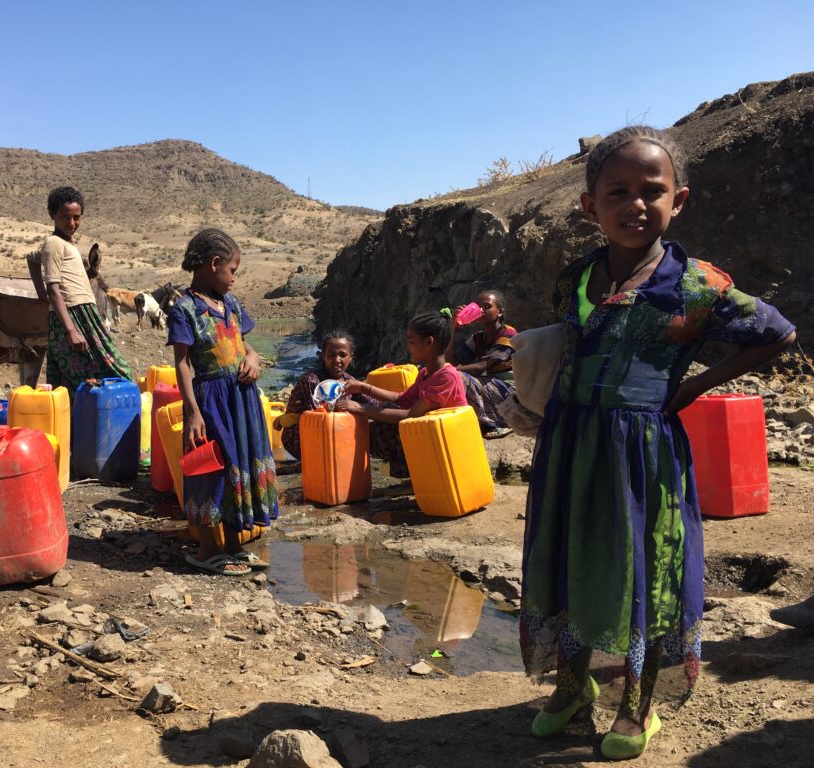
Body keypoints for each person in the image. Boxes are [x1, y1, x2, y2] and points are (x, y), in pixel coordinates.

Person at [519, 126, 795, 760]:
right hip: (569, 443)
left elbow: (777, 333)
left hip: (642, 454)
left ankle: (637, 708)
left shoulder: (697, 284)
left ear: (680, 199)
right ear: (590, 206)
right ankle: (572, 687)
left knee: (643, 572)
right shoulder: (575, 277)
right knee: (567, 556)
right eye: (617, 191)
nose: (635, 204)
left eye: (653, 190)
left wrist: (694, 386)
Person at [167, 228, 278, 576]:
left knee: (240, 463)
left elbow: (245, 345)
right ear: (214, 264)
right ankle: (206, 549)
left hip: (242, 400)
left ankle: (232, 546)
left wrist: (255, 357)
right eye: (232, 270)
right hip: (212, 404)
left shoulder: (230, 304)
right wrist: (194, 413)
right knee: (214, 468)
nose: (234, 279)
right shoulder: (185, 309)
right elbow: (182, 364)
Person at [26, 186, 132, 390]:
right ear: (52, 215)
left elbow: (32, 259)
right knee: (118, 370)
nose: (72, 223)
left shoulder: (64, 244)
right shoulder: (54, 243)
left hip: (83, 314)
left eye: (76, 217)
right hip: (74, 316)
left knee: (76, 382)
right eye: (65, 217)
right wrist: (70, 329)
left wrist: (42, 297)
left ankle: (79, 420)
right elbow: (54, 289)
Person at [338, 310, 467, 477]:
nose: (408, 347)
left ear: (429, 342)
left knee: (389, 423)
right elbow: (403, 399)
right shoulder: (426, 374)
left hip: (446, 445)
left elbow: (410, 414)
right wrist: (364, 388)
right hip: (432, 439)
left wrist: (362, 408)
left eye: (412, 342)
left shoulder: (446, 377)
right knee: (386, 408)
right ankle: (414, 476)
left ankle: (414, 474)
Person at [280, 330, 379, 459]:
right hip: (301, 438)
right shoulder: (312, 381)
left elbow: (373, 404)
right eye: (332, 355)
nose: (337, 360)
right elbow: (319, 420)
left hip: (334, 432)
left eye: (342, 355)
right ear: (323, 356)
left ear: (351, 357)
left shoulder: (349, 381)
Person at [447, 289, 517, 438]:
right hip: (493, 386)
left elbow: (483, 366)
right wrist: (453, 328)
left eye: (487, 306)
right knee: (448, 375)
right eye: (479, 307)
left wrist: (452, 370)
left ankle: (499, 423)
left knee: (457, 377)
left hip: (511, 391)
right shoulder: (478, 338)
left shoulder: (508, 334)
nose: (481, 310)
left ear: (500, 312)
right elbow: (450, 361)